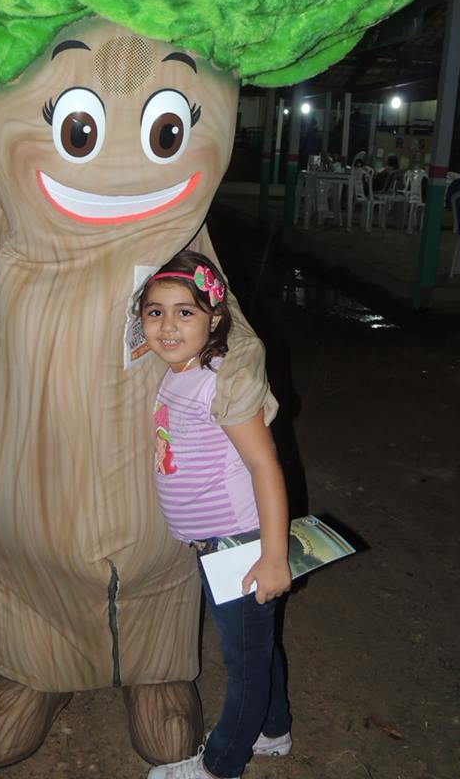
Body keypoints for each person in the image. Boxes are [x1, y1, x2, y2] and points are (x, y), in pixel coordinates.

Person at [138, 250, 292, 779]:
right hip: (213, 544)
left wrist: (273, 557)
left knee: (244, 663)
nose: (168, 325)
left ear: (215, 318)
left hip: (239, 544)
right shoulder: (180, 370)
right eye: (155, 312)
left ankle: (219, 766)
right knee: (255, 646)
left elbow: (264, 465)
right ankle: (274, 729)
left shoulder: (221, 382)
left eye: (185, 312)